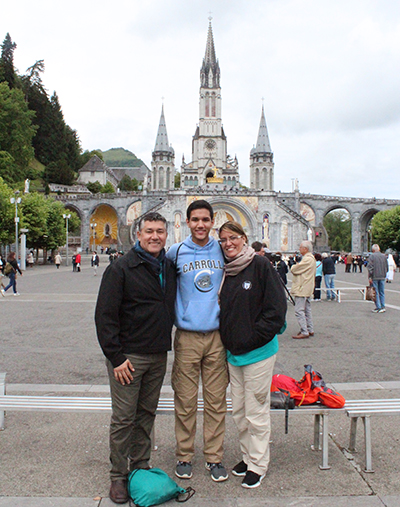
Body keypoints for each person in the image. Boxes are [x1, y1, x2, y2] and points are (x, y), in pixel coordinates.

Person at [95, 212, 176, 505]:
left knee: (146, 416)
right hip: (128, 357)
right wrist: (115, 357)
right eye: (150, 231)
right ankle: (118, 475)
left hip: (157, 354)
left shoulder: (168, 265)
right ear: (138, 234)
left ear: (167, 235)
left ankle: (139, 467)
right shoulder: (121, 268)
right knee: (124, 418)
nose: (155, 236)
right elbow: (104, 316)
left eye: (160, 231)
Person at [218, 221, 286, 489]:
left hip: (257, 352)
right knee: (239, 410)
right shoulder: (227, 271)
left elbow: (276, 311)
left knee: (256, 411)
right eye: (223, 239)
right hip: (234, 354)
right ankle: (247, 457)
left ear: (244, 239)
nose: (228, 243)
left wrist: (251, 338)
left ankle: (258, 464)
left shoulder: (260, 266)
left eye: (233, 238)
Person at [166, 199, 229, 483]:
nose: (201, 225)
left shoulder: (222, 250)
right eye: (195, 220)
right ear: (187, 222)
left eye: (206, 220)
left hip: (217, 336)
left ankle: (214, 458)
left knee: (216, 401)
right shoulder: (175, 253)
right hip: (187, 337)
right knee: (185, 400)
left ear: (212, 222)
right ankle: (184, 455)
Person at [290, 241, 316, 339]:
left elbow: (295, 269)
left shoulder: (307, 259)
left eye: (300, 247)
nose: (299, 249)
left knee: (299, 310)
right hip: (307, 287)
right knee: (307, 309)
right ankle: (310, 329)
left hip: (302, 287)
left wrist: (293, 265)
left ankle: (304, 331)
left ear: (305, 249)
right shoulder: (310, 258)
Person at [368, 244, 389, 313]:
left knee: (375, 292)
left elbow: (370, 267)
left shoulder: (372, 256)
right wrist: (385, 273)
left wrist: (370, 277)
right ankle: (383, 306)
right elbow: (387, 267)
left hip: (375, 276)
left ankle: (378, 307)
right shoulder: (384, 256)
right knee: (382, 292)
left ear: (373, 250)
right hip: (382, 276)